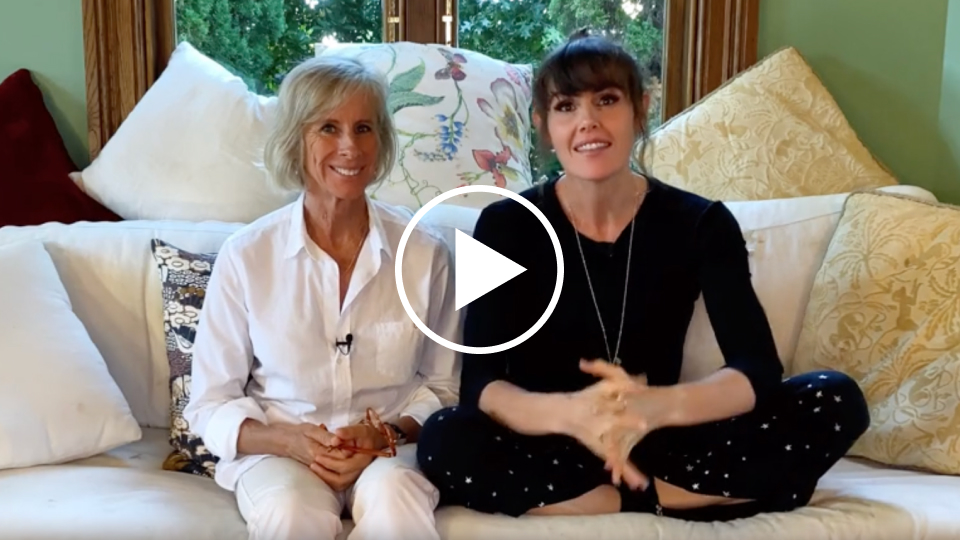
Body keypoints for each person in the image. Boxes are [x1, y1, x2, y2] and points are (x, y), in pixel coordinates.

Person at [415, 30, 870, 521]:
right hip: (551, 438)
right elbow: (481, 382)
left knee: (835, 397)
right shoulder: (504, 226)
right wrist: (574, 415)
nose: (588, 121)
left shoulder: (702, 223)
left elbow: (756, 369)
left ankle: (615, 498)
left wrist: (653, 408)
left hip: (663, 435)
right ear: (543, 125)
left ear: (640, 109)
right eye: (567, 106)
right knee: (445, 437)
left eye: (606, 100)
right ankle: (668, 498)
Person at [183, 55, 459, 540]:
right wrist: (290, 442)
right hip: (281, 451)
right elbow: (210, 403)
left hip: (389, 452)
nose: (350, 147)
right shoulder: (246, 256)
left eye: (364, 128)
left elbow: (445, 390)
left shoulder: (424, 252)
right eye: (328, 128)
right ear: (296, 139)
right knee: (290, 513)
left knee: (396, 503)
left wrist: (385, 436)